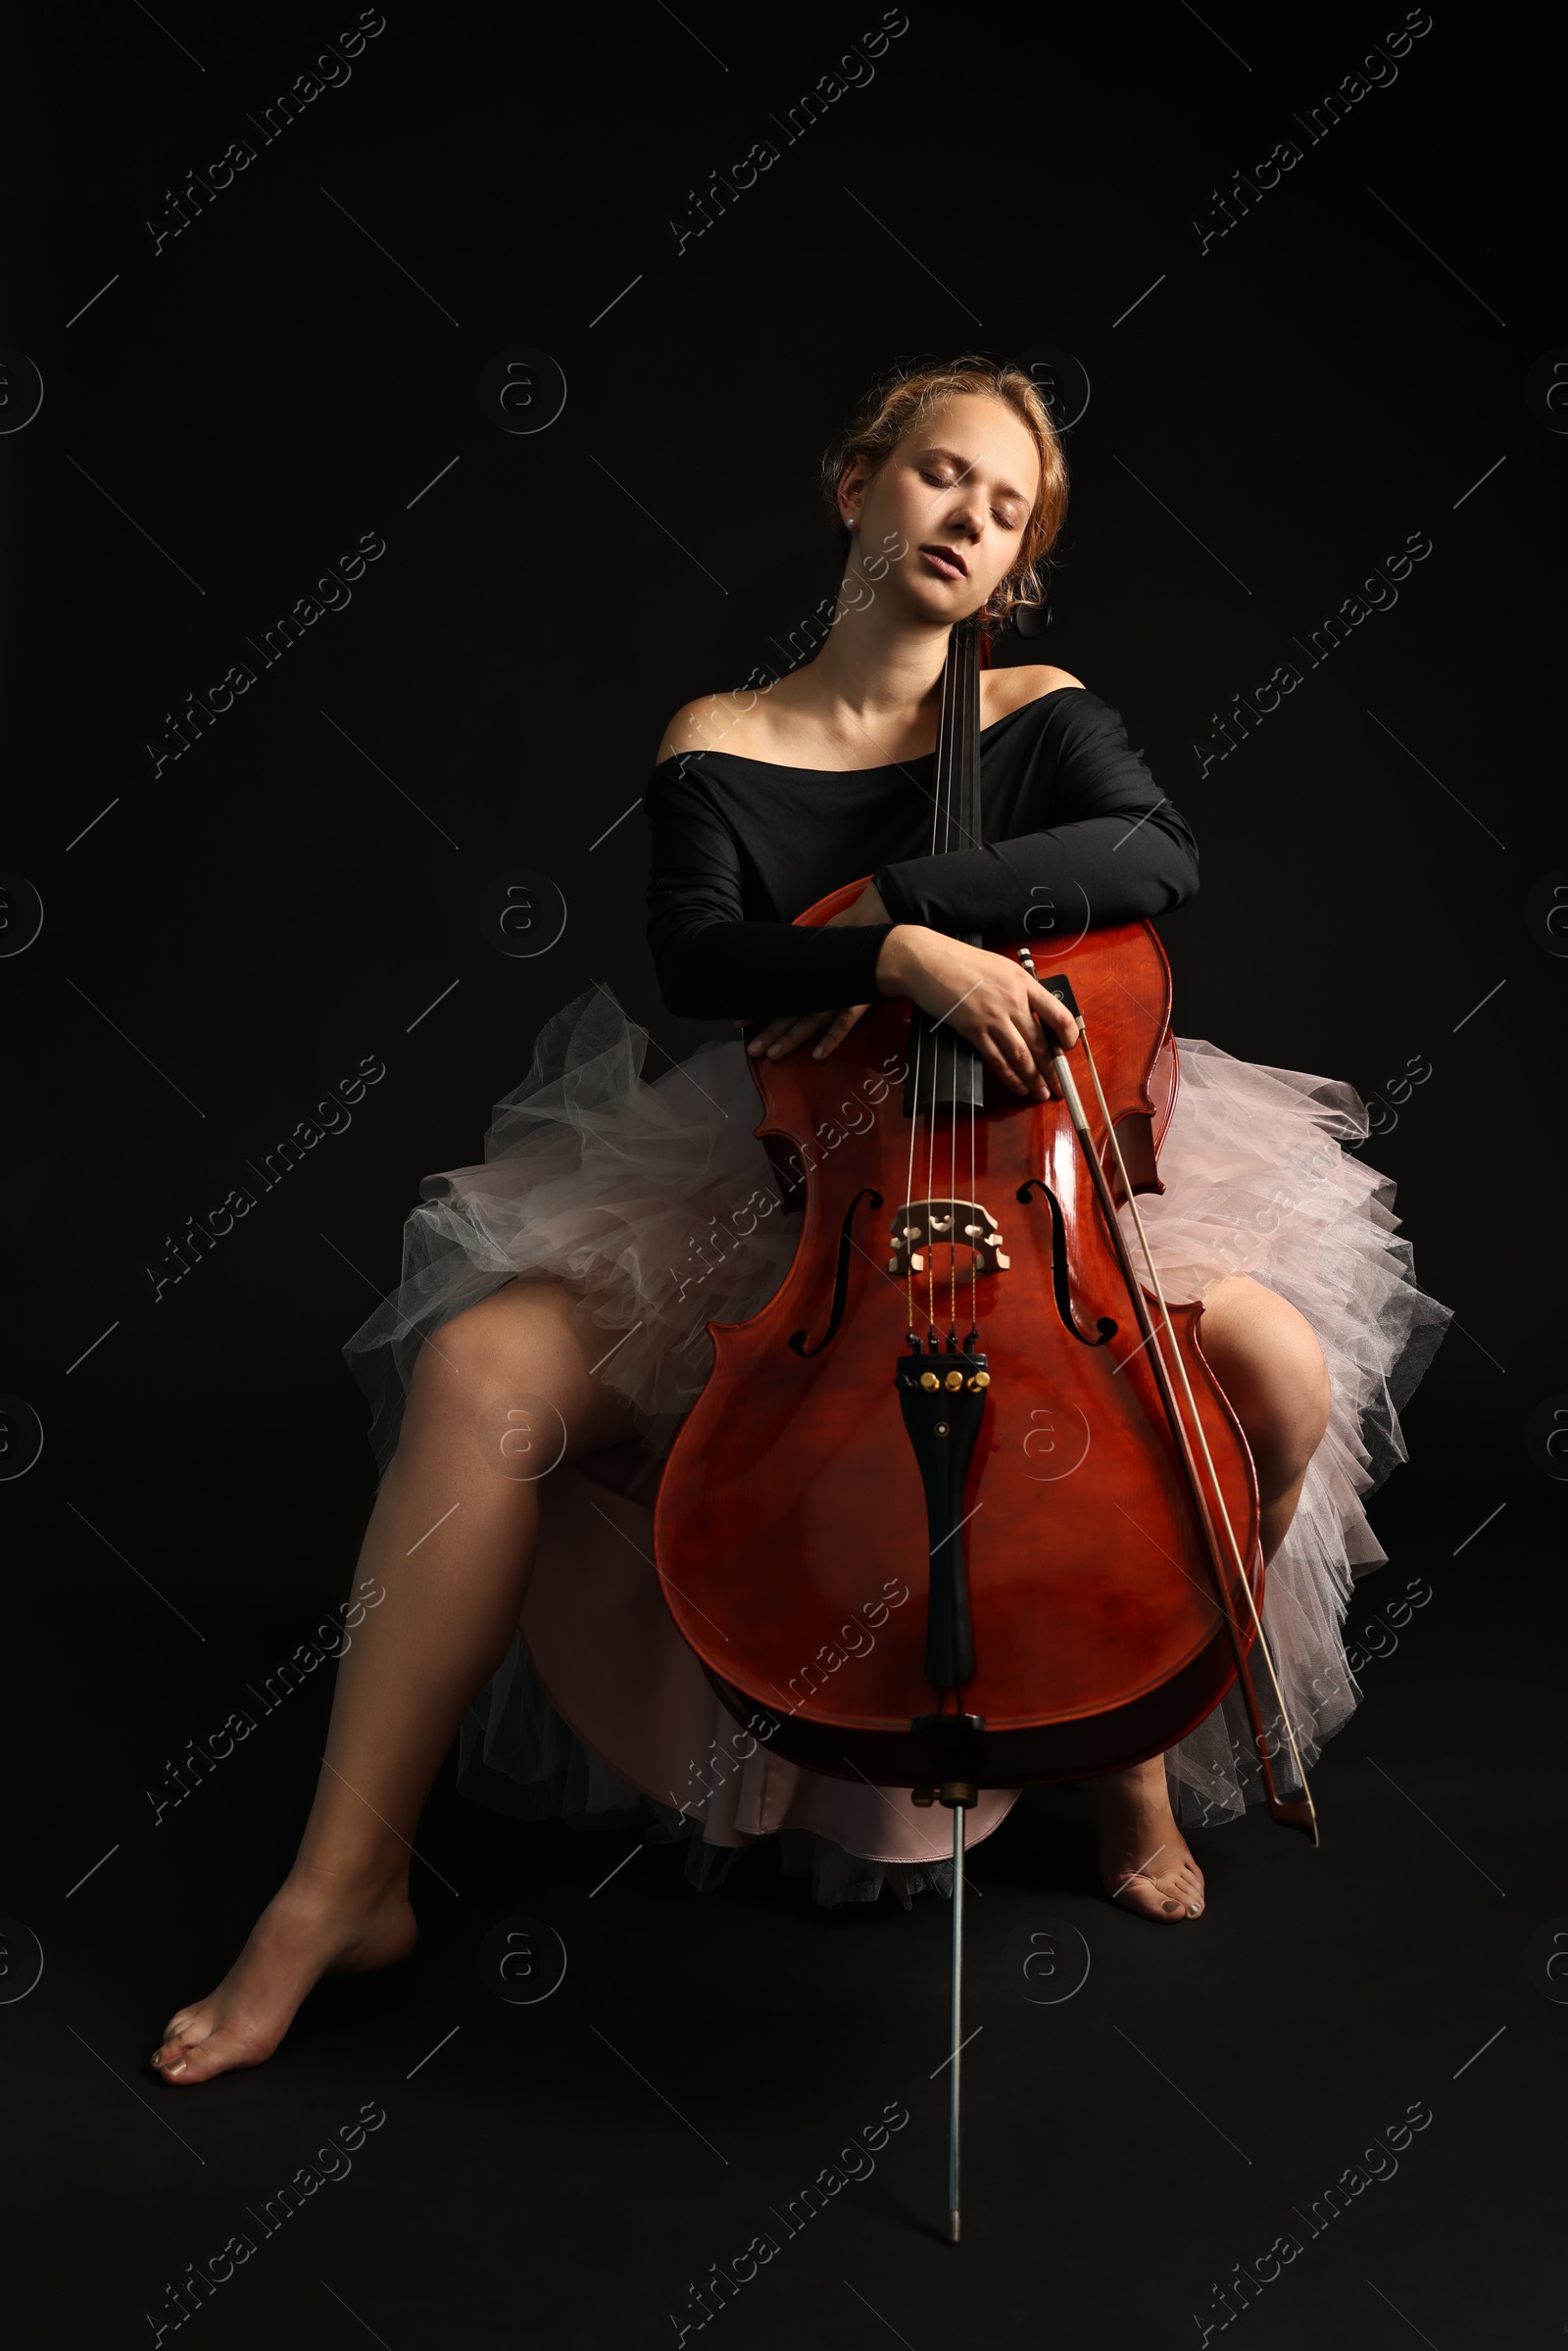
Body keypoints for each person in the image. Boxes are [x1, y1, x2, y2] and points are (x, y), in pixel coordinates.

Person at [152, 357, 1449, 2085]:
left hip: (1037, 1196)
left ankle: (1137, 1739)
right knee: (479, 1369)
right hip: (807, 1204)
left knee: (1280, 1373)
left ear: (1019, 570)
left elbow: (1150, 859)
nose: (967, 519)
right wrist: (891, 962)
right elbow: (701, 961)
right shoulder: (723, 738)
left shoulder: (1045, 710)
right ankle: (341, 1885)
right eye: (940, 477)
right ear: (858, 487)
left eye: (1006, 511)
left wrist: (901, 902)